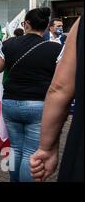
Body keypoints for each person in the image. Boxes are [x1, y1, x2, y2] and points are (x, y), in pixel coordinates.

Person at [0, 8, 62, 182]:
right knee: (31, 152)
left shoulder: (9, 43)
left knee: (14, 148)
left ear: (27, 24)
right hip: (37, 105)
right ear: (46, 27)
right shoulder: (55, 48)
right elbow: (60, 80)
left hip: (10, 103)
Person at [30, 14, 83, 182]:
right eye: (57, 25)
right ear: (48, 27)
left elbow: (60, 87)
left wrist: (47, 148)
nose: (60, 28)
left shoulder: (78, 27)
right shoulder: (51, 46)